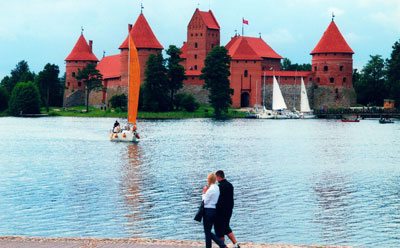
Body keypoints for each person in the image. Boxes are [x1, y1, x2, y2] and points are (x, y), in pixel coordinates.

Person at [215, 170, 240, 248]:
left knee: (219, 229)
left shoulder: (219, 187)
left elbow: (218, 200)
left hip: (220, 211)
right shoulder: (230, 185)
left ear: (219, 177)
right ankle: (235, 244)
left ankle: (223, 246)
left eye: (216, 177)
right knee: (226, 227)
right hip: (229, 210)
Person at [202, 173, 227, 248]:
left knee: (207, 232)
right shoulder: (217, 188)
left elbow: (205, 201)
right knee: (208, 231)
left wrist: (204, 193)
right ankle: (219, 245)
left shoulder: (210, 189)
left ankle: (222, 245)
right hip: (214, 210)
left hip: (207, 210)